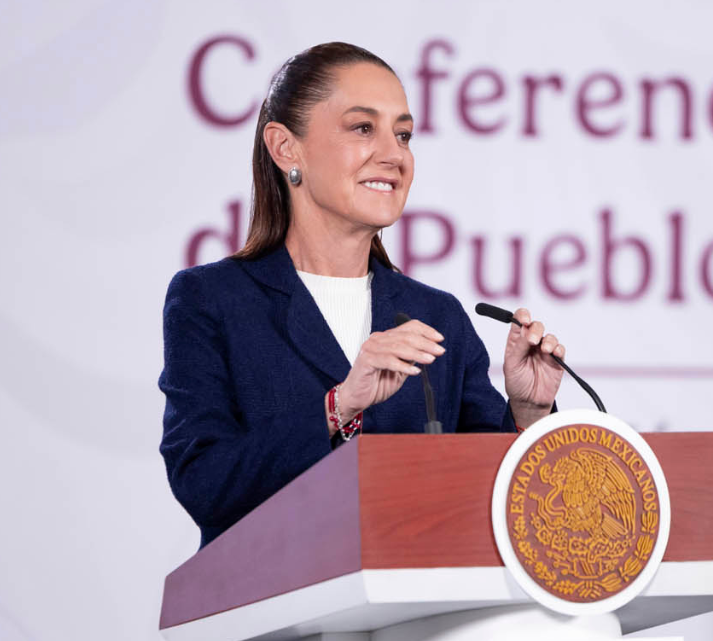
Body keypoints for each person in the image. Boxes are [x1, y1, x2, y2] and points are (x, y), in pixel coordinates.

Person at [158, 42, 568, 549]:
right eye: (362, 128)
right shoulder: (212, 300)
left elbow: (493, 500)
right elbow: (204, 483)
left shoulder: (437, 315)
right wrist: (339, 406)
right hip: (278, 595)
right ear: (285, 148)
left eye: (403, 134)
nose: (395, 155)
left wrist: (528, 413)